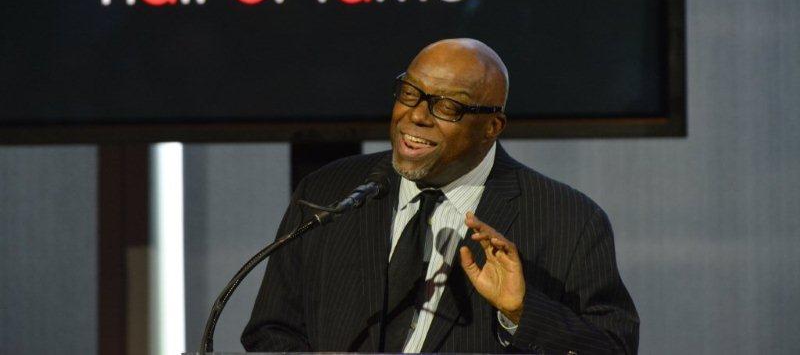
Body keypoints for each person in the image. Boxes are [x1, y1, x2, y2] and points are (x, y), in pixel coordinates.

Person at [242, 38, 639, 353]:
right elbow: (271, 331)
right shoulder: (330, 191)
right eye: (409, 93)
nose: (416, 115)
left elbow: (612, 346)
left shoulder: (567, 220)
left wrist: (521, 312)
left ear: (492, 126)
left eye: (447, 106)